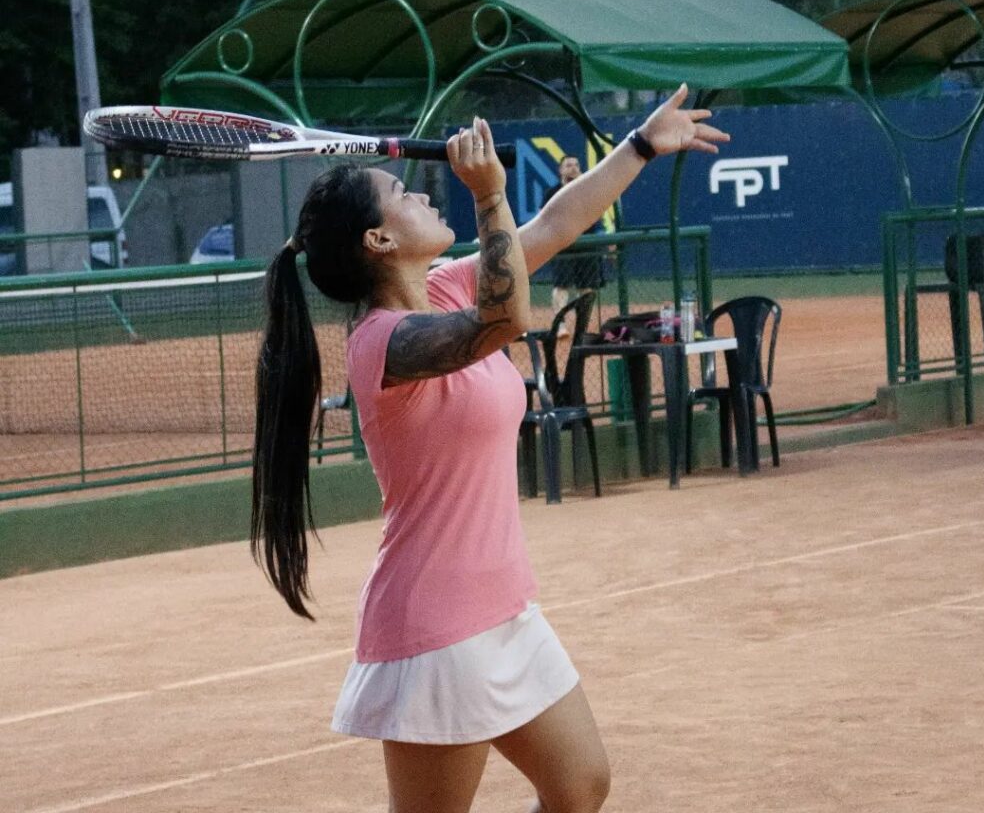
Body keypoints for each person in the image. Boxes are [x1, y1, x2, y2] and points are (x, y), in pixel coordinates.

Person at [250, 83, 728, 813]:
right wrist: (487, 196)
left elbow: (556, 223)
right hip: (436, 625)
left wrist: (640, 145)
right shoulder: (382, 343)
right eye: (402, 194)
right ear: (379, 242)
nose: (422, 195)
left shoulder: (446, 287)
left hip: (505, 607)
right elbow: (504, 321)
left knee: (579, 786)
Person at [542, 155, 607, 337]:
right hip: (562, 244)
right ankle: (560, 325)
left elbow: (599, 213)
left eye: (576, 165)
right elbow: (543, 217)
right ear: (560, 170)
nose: (573, 168)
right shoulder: (552, 193)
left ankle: (582, 327)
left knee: (587, 288)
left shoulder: (588, 189)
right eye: (568, 165)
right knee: (561, 286)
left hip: (587, 244)